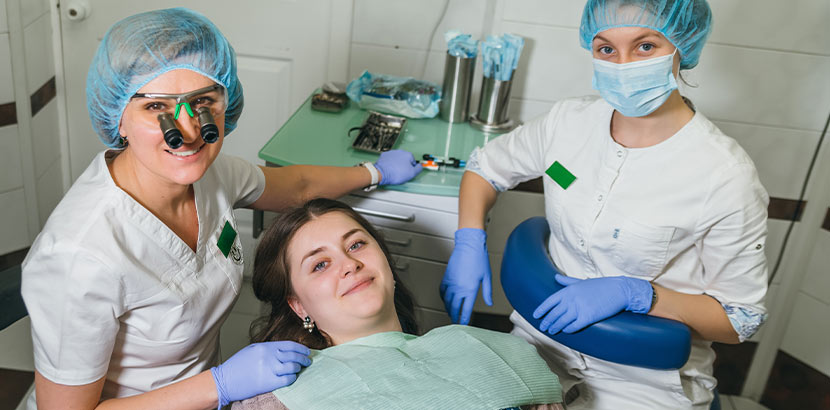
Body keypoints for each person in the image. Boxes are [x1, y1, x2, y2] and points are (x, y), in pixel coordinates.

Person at [21, 8, 422, 410]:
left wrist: (372, 172)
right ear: (119, 119)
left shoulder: (208, 175)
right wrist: (220, 385)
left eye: (203, 102)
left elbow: (297, 185)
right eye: (157, 107)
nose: (190, 131)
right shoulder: (77, 255)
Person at [439, 0, 769, 409]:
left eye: (645, 46)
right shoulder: (568, 123)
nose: (623, 64)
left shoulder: (725, 175)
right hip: (543, 338)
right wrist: (469, 240)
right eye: (606, 49)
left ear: (683, 47)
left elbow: (739, 319)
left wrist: (640, 295)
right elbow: (484, 168)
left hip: (643, 373)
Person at [233, 198, 563, 410]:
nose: (349, 264)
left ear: (387, 264)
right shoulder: (275, 398)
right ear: (299, 306)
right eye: (320, 264)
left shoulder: (499, 351)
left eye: (357, 244)